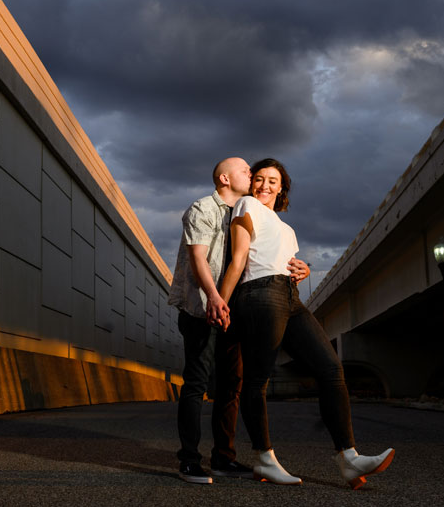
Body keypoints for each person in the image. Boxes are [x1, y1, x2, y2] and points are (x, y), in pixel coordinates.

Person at [218, 158, 394, 489]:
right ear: (251, 183)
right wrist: (220, 303)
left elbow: (282, 258)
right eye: (259, 178)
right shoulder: (246, 205)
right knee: (258, 380)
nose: (265, 185)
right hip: (259, 292)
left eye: (273, 180)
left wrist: (305, 270)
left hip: (290, 296)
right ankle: (265, 459)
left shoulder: (287, 228)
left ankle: (349, 459)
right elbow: (240, 257)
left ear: (282, 187)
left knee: (331, 369)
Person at [168, 157, 308, 484]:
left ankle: (223, 458)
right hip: (204, 308)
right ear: (224, 178)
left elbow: (264, 255)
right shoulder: (203, 209)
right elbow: (198, 258)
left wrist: (302, 268)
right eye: (246, 171)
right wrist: (215, 298)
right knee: (197, 383)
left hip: (234, 311)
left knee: (231, 386)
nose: (252, 175)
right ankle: (188, 460)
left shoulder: (248, 212)